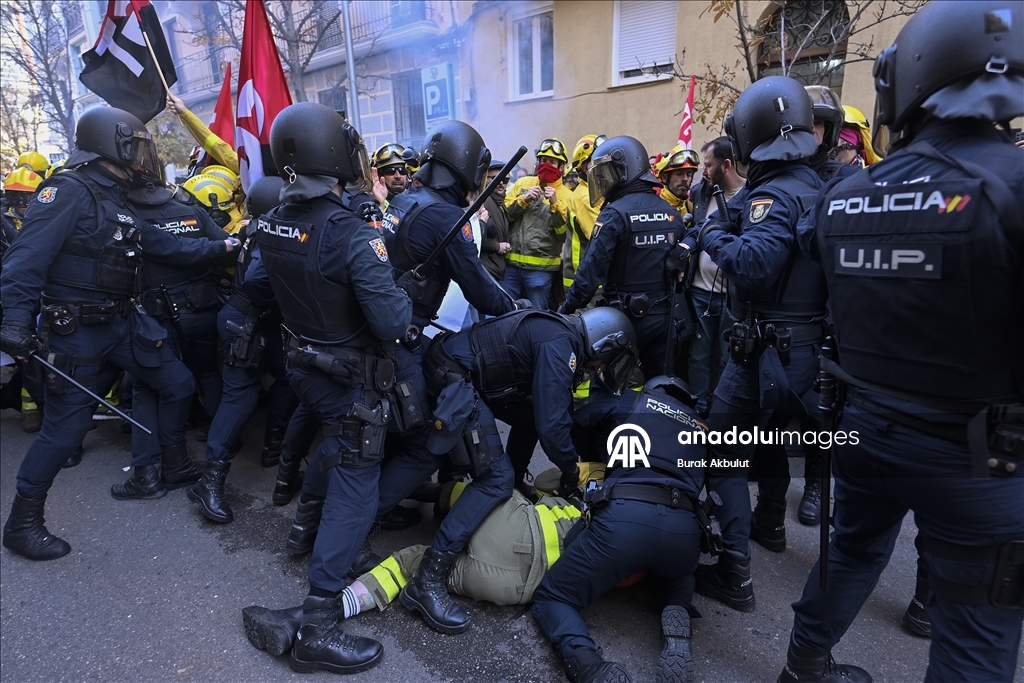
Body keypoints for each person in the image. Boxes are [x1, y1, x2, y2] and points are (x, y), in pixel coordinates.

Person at [777, 4, 1023, 682]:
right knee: (975, 638)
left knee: (851, 552)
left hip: (868, 432)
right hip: (983, 461)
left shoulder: (845, 195)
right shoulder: (1011, 184)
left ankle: (801, 666)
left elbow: (812, 303)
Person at [0, 107, 238, 560]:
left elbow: (157, 241)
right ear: (115, 144)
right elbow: (24, 259)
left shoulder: (115, 196)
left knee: (177, 383)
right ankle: (22, 522)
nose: (143, 155)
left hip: (123, 322)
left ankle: (172, 464)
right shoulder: (67, 191)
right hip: (79, 333)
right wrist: (14, 319)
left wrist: (221, 246)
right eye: (137, 145)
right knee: (64, 432)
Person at [253, 101, 412, 675]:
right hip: (350, 379)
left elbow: (258, 286)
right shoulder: (352, 234)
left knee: (334, 451)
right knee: (358, 485)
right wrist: (392, 285)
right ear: (330, 153)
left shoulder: (269, 218)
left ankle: (302, 527)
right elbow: (393, 323)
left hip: (304, 367)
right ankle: (319, 621)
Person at [676, 77, 825, 612]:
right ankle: (769, 527)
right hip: (806, 357)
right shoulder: (814, 185)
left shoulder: (773, 194)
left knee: (721, 450)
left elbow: (754, 262)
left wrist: (712, 236)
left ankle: (734, 575)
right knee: (770, 441)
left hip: (763, 354)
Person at [415, 306, 639, 634]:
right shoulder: (561, 345)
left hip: (456, 371)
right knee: (496, 480)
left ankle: (494, 487)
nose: (598, 369)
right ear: (603, 345)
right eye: (604, 360)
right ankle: (429, 577)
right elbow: (553, 425)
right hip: (455, 378)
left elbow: (543, 414)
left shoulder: (563, 335)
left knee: (525, 423)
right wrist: (570, 471)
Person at [242, 484, 583, 658]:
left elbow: (545, 481)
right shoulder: (621, 530)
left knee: (482, 488)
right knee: (415, 564)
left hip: (518, 529)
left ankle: (425, 492)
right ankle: (299, 619)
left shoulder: (597, 479)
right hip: (514, 588)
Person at [532, 376, 708, 683]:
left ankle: (589, 666)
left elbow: (578, 420)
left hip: (625, 521)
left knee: (552, 597)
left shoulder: (631, 401)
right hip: (684, 528)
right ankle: (677, 612)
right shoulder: (704, 427)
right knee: (679, 571)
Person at [111, 177, 236, 500]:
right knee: (207, 371)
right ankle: (224, 443)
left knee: (148, 389)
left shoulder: (127, 220)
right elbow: (225, 253)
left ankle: (147, 472)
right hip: (202, 309)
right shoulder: (192, 213)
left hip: (155, 321)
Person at [186, 175, 301, 523]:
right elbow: (256, 282)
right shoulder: (271, 234)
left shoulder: (261, 229)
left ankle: (273, 447)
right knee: (241, 397)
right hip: (246, 320)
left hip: (257, 319)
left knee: (287, 376)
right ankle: (210, 481)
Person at [561, 136, 683, 379]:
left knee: (609, 387)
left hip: (622, 319)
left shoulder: (614, 215)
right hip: (665, 318)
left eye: (607, 173)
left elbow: (590, 273)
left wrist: (566, 310)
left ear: (624, 171)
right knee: (658, 386)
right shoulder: (671, 213)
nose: (603, 180)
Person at [685, 137, 744, 414]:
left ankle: (721, 410)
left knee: (727, 358)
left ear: (727, 165)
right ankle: (697, 408)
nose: (703, 171)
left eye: (708, 165)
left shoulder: (752, 197)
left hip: (733, 297)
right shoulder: (700, 194)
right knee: (699, 355)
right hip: (699, 291)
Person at [504, 139, 573, 310]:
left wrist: (555, 205)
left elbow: (563, 235)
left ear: (562, 166)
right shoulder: (522, 184)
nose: (546, 164)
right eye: (543, 161)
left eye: (552, 162)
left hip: (540, 271)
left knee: (537, 317)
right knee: (505, 314)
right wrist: (523, 200)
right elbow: (504, 216)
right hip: (510, 267)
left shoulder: (567, 195)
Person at [561, 135, 606, 295]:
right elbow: (603, 239)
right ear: (587, 168)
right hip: (586, 282)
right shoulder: (586, 197)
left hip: (589, 278)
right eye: (602, 163)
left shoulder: (596, 193)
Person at [655, 144, 699, 214]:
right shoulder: (654, 206)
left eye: (688, 174)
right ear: (664, 177)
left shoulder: (690, 207)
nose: (685, 179)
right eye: (679, 174)